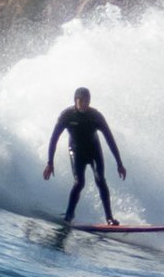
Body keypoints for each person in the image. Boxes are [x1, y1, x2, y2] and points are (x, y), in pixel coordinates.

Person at [45, 87, 127, 224]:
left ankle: (109, 218)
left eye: (87, 101)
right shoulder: (66, 115)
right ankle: (69, 216)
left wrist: (119, 163)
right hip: (76, 152)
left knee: (100, 180)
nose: (84, 104)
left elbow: (110, 139)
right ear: (75, 100)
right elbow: (54, 139)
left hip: (94, 151)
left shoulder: (96, 116)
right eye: (81, 100)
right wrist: (50, 162)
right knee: (79, 183)